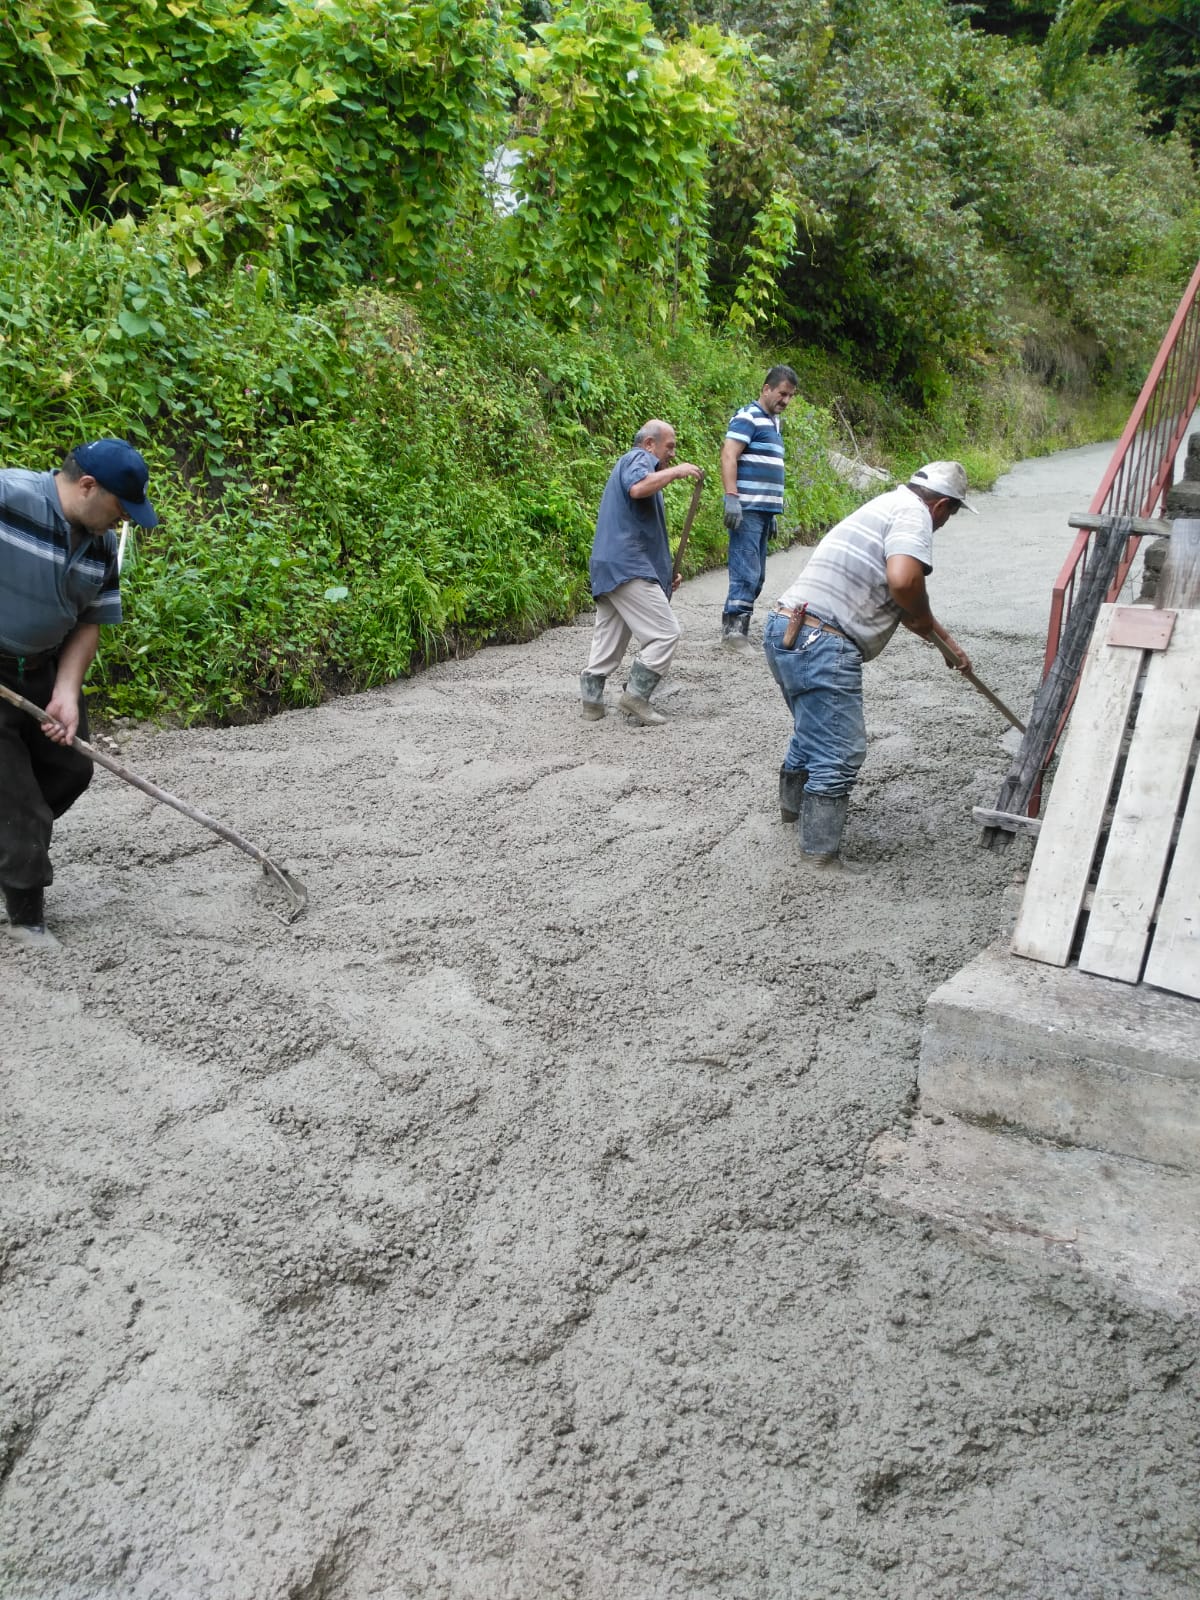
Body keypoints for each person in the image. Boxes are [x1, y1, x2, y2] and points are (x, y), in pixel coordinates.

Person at [762, 461, 976, 872]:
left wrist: (947, 645)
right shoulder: (915, 516)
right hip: (823, 639)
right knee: (840, 751)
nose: (945, 523)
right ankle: (819, 855)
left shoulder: (888, 504)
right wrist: (922, 616)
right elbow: (904, 583)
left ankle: (792, 815)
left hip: (786, 626)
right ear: (942, 506)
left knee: (813, 731)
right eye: (951, 514)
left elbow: (909, 605)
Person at [0, 439, 157, 947]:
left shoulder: (102, 546)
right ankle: (25, 917)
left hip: (44, 670)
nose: (121, 522)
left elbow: (89, 623)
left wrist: (66, 691)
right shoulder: (9, 496)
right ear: (88, 486)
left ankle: (11, 849)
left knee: (70, 769)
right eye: (119, 509)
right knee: (19, 805)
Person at [579, 420, 702, 727]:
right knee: (665, 633)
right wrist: (675, 471)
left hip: (612, 564)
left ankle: (592, 701)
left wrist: (662, 575)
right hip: (628, 565)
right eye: (669, 447)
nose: (672, 454)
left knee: (611, 632)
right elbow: (637, 488)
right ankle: (635, 696)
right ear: (649, 444)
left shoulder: (637, 465)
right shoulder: (638, 459)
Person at [720, 365, 799, 651]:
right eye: (782, 394)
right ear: (766, 388)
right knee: (746, 569)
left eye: (790, 396)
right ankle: (733, 632)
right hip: (747, 507)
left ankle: (739, 626)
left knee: (759, 574)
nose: (786, 401)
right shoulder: (747, 416)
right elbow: (729, 454)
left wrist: (772, 512)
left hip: (763, 510)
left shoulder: (774, 423)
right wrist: (731, 496)